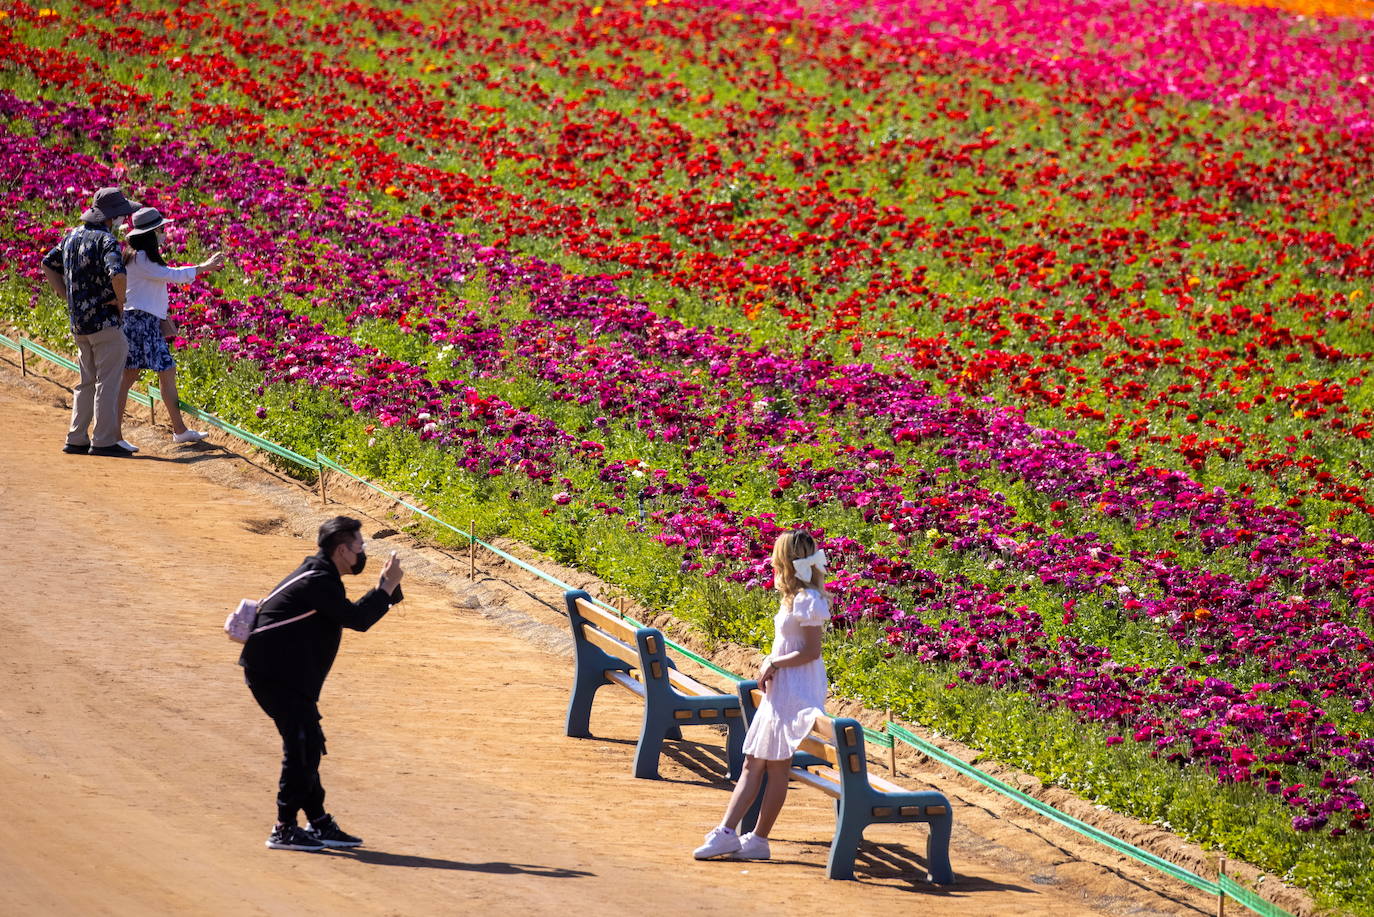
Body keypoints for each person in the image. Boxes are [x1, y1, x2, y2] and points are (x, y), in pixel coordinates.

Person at [240, 516, 405, 852]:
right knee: (301, 747)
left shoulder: (320, 574)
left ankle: (318, 822)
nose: (363, 553)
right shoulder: (318, 580)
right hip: (274, 675)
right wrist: (386, 587)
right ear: (343, 550)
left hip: (285, 674)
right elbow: (357, 619)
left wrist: (384, 590)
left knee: (308, 744)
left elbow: (350, 614)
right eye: (360, 547)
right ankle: (284, 828)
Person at [693, 530, 831, 861]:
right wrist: (774, 665)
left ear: (784, 559)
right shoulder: (796, 597)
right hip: (785, 688)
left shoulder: (807, 599)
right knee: (755, 763)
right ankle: (737, 834)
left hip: (796, 690)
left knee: (771, 767)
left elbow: (812, 651)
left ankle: (749, 836)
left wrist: (772, 662)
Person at [40, 186, 141, 456]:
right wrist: (120, 303)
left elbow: (48, 263)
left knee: (85, 381)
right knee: (107, 381)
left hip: (80, 323)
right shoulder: (106, 241)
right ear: (113, 217)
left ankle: (76, 437)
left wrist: (65, 294)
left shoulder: (72, 236)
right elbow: (117, 274)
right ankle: (104, 439)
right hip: (105, 322)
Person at [115, 207, 225, 446]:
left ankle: (179, 429)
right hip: (139, 322)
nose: (164, 233)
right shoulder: (140, 258)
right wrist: (204, 267)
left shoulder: (137, 255)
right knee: (132, 375)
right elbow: (171, 275)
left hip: (145, 321)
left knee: (160, 370)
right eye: (161, 229)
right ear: (150, 233)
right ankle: (113, 434)